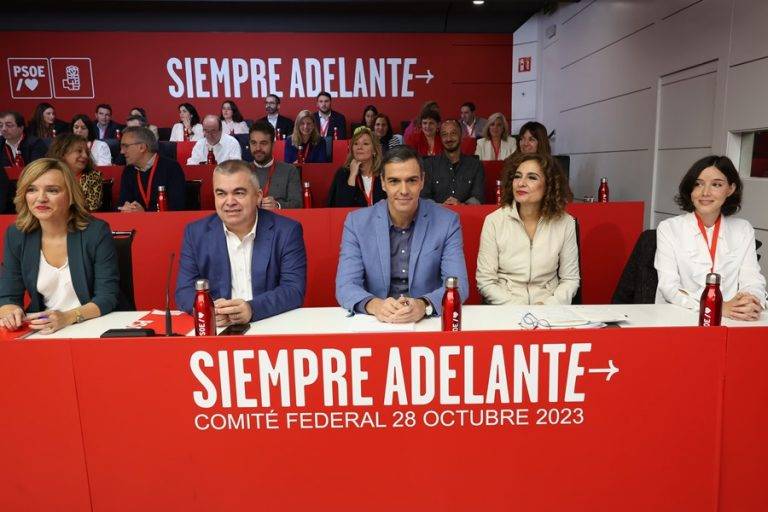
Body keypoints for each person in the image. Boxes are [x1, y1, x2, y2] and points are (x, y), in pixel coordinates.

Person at [335, 145, 469, 323]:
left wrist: (423, 305)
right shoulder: (357, 223)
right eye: (394, 181)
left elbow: (458, 285)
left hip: (428, 321)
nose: (404, 190)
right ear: (382, 182)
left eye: (411, 180)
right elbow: (346, 286)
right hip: (374, 321)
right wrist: (376, 305)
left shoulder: (447, 221)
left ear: (422, 181)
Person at [175, 159, 307, 323]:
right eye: (221, 193)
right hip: (218, 329)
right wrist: (208, 309)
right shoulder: (195, 233)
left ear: (258, 196)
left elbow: (293, 290)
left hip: (269, 323)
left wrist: (252, 309)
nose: (229, 202)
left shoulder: (287, 231)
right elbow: (184, 291)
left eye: (239, 193)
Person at [0, 158, 120, 334]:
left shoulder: (95, 231)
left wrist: (67, 317)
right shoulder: (17, 234)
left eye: (52, 190)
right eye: (32, 189)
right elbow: (9, 294)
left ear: (70, 196)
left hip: (96, 324)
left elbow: (107, 296)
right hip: (45, 330)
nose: (41, 198)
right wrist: (9, 310)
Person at [654, 155, 766, 320]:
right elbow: (669, 287)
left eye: (716, 185)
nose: (705, 192)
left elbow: (752, 279)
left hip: (732, 319)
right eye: (698, 184)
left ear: (730, 189)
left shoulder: (743, 229)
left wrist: (751, 301)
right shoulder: (669, 228)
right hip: (682, 317)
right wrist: (717, 307)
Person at [476, 152, 579, 305]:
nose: (521, 183)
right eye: (517, 176)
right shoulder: (494, 221)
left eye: (532, 177)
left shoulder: (565, 223)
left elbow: (570, 280)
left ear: (549, 185)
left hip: (549, 309)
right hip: (506, 309)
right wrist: (518, 309)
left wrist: (548, 306)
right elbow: (485, 281)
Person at [117, 127, 186, 212]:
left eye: (125, 146)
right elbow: (122, 203)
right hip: (134, 223)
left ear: (142, 147)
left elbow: (177, 207)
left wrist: (145, 214)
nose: (122, 152)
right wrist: (125, 209)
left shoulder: (171, 168)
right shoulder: (128, 171)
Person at [421, 119, 485, 205]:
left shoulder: (475, 165)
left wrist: (461, 205)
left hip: (467, 216)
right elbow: (424, 197)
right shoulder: (428, 164)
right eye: (444, 135)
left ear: (461, 136)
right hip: (436, 216)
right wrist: (441, 207)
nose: (449, 138)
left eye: (453, 133)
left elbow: (478, 197)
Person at [248, 121, 302, 209]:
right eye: (253, 143)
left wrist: (278, 206)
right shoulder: (241, 171)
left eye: (263, 143)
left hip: (280, 220)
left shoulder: (290, 171)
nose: (258, 148)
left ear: (273, 145)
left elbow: (297, 204)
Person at [328, 127, 386, 207]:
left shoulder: (384, 173)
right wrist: (352, 176)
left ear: (374, 151)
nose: (359, 147)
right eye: (356, 144)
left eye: (365, 144)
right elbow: (341, 206)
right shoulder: (343, 173)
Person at [46, 134, 103, 211]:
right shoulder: (47, 176)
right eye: (79, 151)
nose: (85, 156)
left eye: (87, 152)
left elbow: (91, 207)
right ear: (62, 153)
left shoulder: (93, 177)